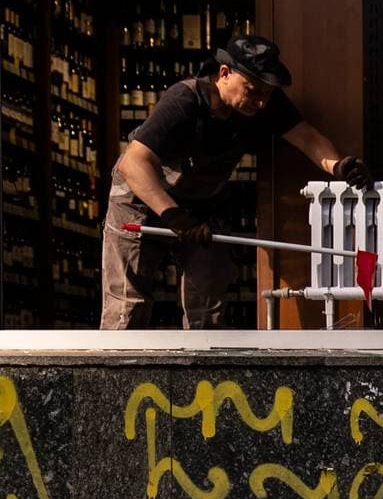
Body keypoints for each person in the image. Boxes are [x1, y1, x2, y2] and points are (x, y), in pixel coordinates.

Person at [101, 33, 369, 329]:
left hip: (203, 202)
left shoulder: (263, 102)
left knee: (208, 305)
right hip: (143, 201)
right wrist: (175, 216)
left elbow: (306, 136)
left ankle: (201, 370)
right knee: (128, 306)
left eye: (267, 94)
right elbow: (133, 162)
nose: (262, 102)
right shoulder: (183, 100)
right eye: (254, 91)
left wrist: (338, 167)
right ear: (224, 73)